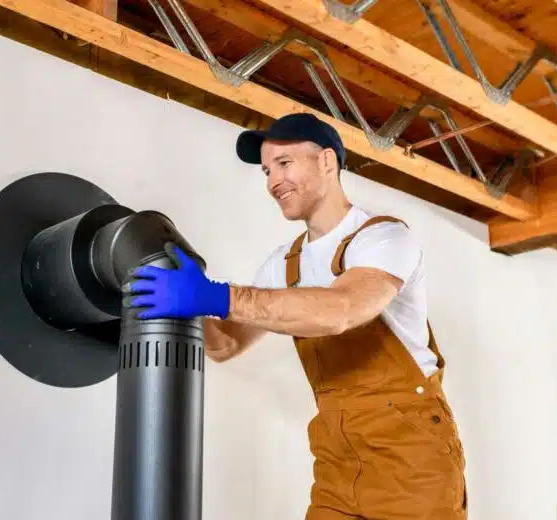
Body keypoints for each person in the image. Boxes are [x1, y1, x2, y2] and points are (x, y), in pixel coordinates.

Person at [122, 112, 467, 519]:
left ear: (327, 161)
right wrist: (189, 304)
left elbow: (341, 310)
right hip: (337, 458)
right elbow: (227, 344)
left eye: (284, 164)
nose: (272, 182)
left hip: (409, 449)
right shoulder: (284, 264)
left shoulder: (382, 237)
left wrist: (217, 296)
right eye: (267, 171)